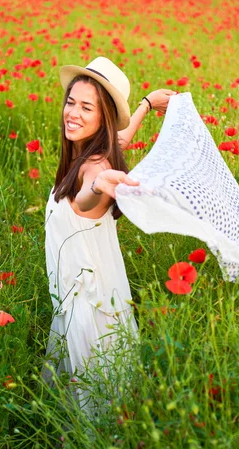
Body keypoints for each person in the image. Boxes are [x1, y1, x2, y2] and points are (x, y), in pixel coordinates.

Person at [42, 56, 176, 418]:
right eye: (71, 101)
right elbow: (120, 136)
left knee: (89, 415)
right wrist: (145, 106)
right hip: (84, 299)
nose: (73, 113)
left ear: (100, 117)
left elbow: (87, 193)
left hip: (88, 313)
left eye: (87, 107)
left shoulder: (95, 168)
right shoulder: (98, 148)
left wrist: (98, 185)